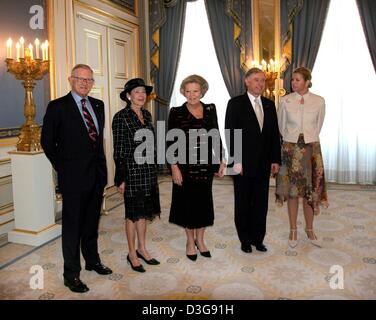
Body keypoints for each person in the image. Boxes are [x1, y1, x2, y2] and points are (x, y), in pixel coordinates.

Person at [41, 64, 112, 293]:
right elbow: (47, 141)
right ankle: (71, 274)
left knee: (92, 222)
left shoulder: (98, 105)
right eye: (80, 79)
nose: (85, 83)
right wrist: (63, 167)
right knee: (72, 227)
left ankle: (92, 260)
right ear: (71, 79)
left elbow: (97, 142)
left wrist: (102, 172)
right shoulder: (57, 107)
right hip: (72, 178)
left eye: (89, 80)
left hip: (96, 175)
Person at [168, 74, 226, 261]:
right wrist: (174, 167)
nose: (192, 95)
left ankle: (201, 241)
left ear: (202, 91)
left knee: (203, 204)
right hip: (184, 166)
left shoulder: (211, 109)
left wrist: (220, 161)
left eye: (195, 91)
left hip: (206, 165)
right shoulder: (176, 111)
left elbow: (215, 135)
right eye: (188, 91)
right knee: (188, 205)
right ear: (183, 92)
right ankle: (189, 242)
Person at [225, 67, 281, 254]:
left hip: (264, 164)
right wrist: (236, 161)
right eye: (256, 80)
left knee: (260, 203)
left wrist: (275, 159)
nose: (260, 83)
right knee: (243, 202)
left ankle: (258, 239)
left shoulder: (269, 104)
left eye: (263, 80)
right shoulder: (235, 103)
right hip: (242, 164)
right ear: (247, 82)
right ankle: (245, 239)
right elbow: (231, 134)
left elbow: (274, 134)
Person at [276, 67, 328, 249]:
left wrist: (308, 138)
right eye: (293, 80)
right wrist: (292, 139)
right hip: (291, 150)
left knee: (310, 193)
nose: (293, 83)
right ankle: (293, 230)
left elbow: (319, 125)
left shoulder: (319, 101)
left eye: (297, 80)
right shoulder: (285, 101)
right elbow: (281, 126)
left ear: (307, 82)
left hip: (312, 150)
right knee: (292, 193)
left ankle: (310, 229)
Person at [112, 78, 161, 273]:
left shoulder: (147, 115)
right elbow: (119, 149)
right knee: (132, 215)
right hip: (131, 172)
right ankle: (132, 253)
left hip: (148, 171)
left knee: (143, 212)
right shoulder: (121, 117)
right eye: (137, 92)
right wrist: (120, 178)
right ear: (128, 95)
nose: (141, 95)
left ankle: (142, 248)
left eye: (143, 92)